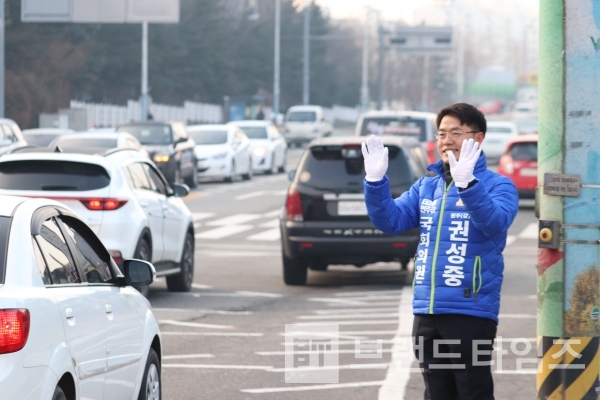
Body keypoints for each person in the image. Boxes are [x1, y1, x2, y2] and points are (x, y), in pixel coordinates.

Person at [362, 103, 518, 400]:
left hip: (470, 311)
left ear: (478, 138)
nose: (446, 140)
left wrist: (468, 184)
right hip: (428, 310)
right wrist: (375, 183)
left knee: (473, 392)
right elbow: (390, 220)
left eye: (456, 133)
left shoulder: (499, 186)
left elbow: (495, 222)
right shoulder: (427, 187)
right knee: (436, 393)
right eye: (442, 133)